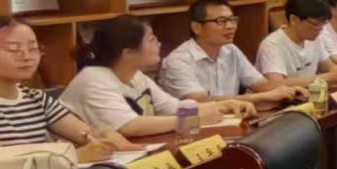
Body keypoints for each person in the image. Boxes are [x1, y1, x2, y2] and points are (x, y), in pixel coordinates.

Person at [0, 17, 127, 162]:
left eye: (33, 49)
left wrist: (102, 136)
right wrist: (71, 156)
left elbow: (83, 133)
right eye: (13, 49)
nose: (27, 57)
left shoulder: (36, 98)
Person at [59, 16, 253, 138]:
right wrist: (192, 120)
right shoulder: (93, 79)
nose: (159, 43)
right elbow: (128, 126)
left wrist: (224, 106)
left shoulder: (137, 76)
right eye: (151, 39)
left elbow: (173, 107)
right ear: (128, 53)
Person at [157, 0, 303, 106]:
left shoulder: (231, 50)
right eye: (221, 21)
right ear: (196, 27)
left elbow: (261, 84)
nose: (230, 26)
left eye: (232, 20)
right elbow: (201, 101)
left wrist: (291, 89)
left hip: (229, 121)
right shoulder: (178, 61)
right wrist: (262, 97)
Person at [257, 0, 337, 85]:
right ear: (294, 19)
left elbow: (328, 66)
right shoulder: (272, 45)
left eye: (323, 24)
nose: (320, 29)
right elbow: (276, 84)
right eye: (315, 24)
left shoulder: (314, 38)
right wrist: (330, 77)